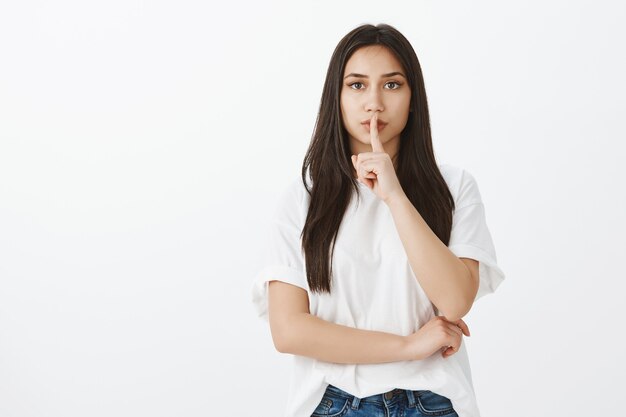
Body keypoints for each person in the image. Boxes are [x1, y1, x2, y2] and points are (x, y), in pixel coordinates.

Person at [250, 23, 505, 417]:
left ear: (413, 97)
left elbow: (455, 301)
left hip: (433, 403)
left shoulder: (453, 186)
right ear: (335, 98)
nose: (374, 103)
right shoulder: (304, 198)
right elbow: (288, 331)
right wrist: (407, 347)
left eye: (391, 85)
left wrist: (394, 196)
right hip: (332, 402)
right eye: (356, 85)